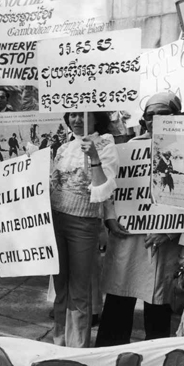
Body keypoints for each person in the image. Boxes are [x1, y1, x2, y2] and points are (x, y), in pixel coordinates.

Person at [96, 92, 181, 347]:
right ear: (144, 119)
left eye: (164, 114)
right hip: (127, 237)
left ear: (175, 117)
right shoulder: (128, 149)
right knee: (119, 297)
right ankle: (110, 356)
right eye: (151, 115)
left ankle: (156, 360)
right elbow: (111, 188)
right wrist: (110, 220)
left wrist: (168, 231)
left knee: (158, 304)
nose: (156, 120)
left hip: (162, 242)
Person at [50, 111, 119, 348]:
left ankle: (77, 349)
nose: (77, 120)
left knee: (79, 289)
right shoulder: (62, 148)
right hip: (55, 221)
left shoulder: (105, 145)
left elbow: (103, 191)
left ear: (95, 117)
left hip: (83, 223)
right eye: (73, 115)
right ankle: (58, 343)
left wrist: (95, 157)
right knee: (60, 288)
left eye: (82, 114)